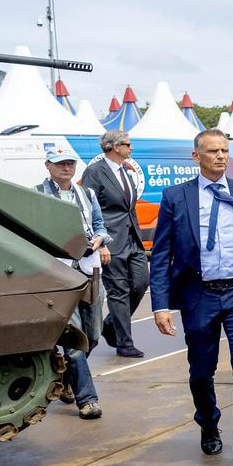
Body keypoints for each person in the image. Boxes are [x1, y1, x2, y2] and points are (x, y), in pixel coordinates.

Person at [150, 129, 233, 466]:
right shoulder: (176, 197)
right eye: (213, 151)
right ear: (197, 157)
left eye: (225, 150)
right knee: (200, 371)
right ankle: (208, 422)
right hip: (199, 296)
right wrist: (160, 304)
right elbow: (162, 254)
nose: (221, 157)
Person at [36, 152, 111, 420]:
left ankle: (68, 381)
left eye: (70, 163)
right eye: (60, 164)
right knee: (73, 341)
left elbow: (101, 227)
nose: (67, 168)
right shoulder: (38, 194)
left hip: (89, 271)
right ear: (48, 166)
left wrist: (100, 241)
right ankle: (88, 400)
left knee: (92, 335)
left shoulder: (87, 194)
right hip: (59, 275)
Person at [81, 130, 149, 358]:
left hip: (133, 239)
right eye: (128, 144)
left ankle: (111, 325)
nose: (132, 148)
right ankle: (124, 343)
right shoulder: (95, 172)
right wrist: (100, 244)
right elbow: (88, 210)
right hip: (110, 241)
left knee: (140, 283)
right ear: (114, 147)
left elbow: (128, 209)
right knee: (118, 291)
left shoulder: (127, 172)